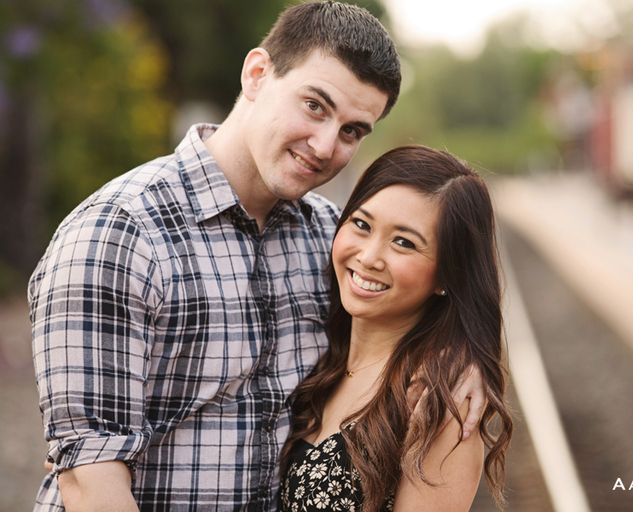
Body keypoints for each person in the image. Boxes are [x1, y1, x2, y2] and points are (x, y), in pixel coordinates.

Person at [28, 2, 486, 511]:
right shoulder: (119, 234)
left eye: (352, 130)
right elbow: (90, 482)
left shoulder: (326, 239)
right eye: (315, 105)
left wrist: (457, 363)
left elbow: (409, 310)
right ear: (257, 74)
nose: (324, 145)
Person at [278, 145, 514, 512]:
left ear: (447, 275)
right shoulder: (317, 350)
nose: (369, 256)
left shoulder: (439, 403)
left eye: (404, 242)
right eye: (361, 224)